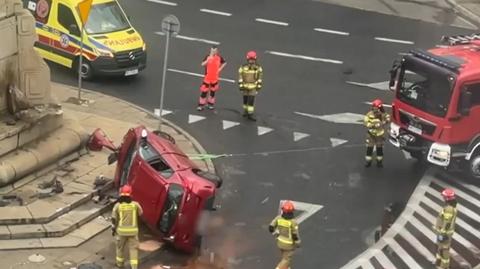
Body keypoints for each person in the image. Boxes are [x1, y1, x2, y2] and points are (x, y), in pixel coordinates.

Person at [112, 185, 143, 269]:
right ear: (130, 193)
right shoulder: (135, 205)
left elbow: (114, 219)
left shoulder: (118, 206)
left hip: (121, 232)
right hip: (133, 231)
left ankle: (119, 264)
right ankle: (134, 267)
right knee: (133, 250)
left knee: (119, 248)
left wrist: (113, 229)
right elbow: (140, 214)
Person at [269, 200, 301, 269]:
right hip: (289, 245)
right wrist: (297, 243)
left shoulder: (278, 218)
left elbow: (271, 227)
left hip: (280, 242)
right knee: (286, 259)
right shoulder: (293, 222)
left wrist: (275, 234)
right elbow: (295, 235)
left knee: (284, 256)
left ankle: (286, 268)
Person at [433, 188, 457, 269]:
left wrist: (442, 232)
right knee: (440, 247)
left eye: (444, 197)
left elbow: (447, 222)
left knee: (444, 249)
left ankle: (444, 266)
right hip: (442, 232)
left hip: (444, 233)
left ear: (447, 198)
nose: (443, 198)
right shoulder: (449, 207)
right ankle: (439, 261)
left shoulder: (449, 209)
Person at [197, 45, 227, 111]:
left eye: (215, 51)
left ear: (217, 51)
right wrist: (207, 60)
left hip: (215, 78)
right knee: (204, 91)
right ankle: (201, 105)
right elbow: (202, 64)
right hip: (207, 78)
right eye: (212, 51)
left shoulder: (219, 57)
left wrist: (220, 69)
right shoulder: (207, 57)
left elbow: (225, 62)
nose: (213, 52)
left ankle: (210, 104)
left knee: (213, 91)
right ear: (210, 50)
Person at [364, 99, 390, 167]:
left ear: (379, 107)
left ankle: (379, 162)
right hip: (371, 134)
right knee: (369, 148)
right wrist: (372, 125)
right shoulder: (369, 114)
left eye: (376, 107)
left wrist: (385, 121)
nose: (374, 109)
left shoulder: (383, 114)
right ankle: (368, 161)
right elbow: (366, 122)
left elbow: (388, 117)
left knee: (379, 149)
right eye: (373, 107)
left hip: (379, 135)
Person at [238, 50, 263, 121]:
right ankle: (245, 111)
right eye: (250, 59)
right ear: (247, 59)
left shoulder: (258, 68)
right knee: (245, 100)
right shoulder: (243, 67)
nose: (251, 61)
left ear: (255, 59)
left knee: (251, 101)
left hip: (253, 87)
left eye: (252, 59)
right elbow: (240, 76)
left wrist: (258, 87)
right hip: (245, 86)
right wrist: (241, 85)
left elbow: (260, 78)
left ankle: (250, 114)